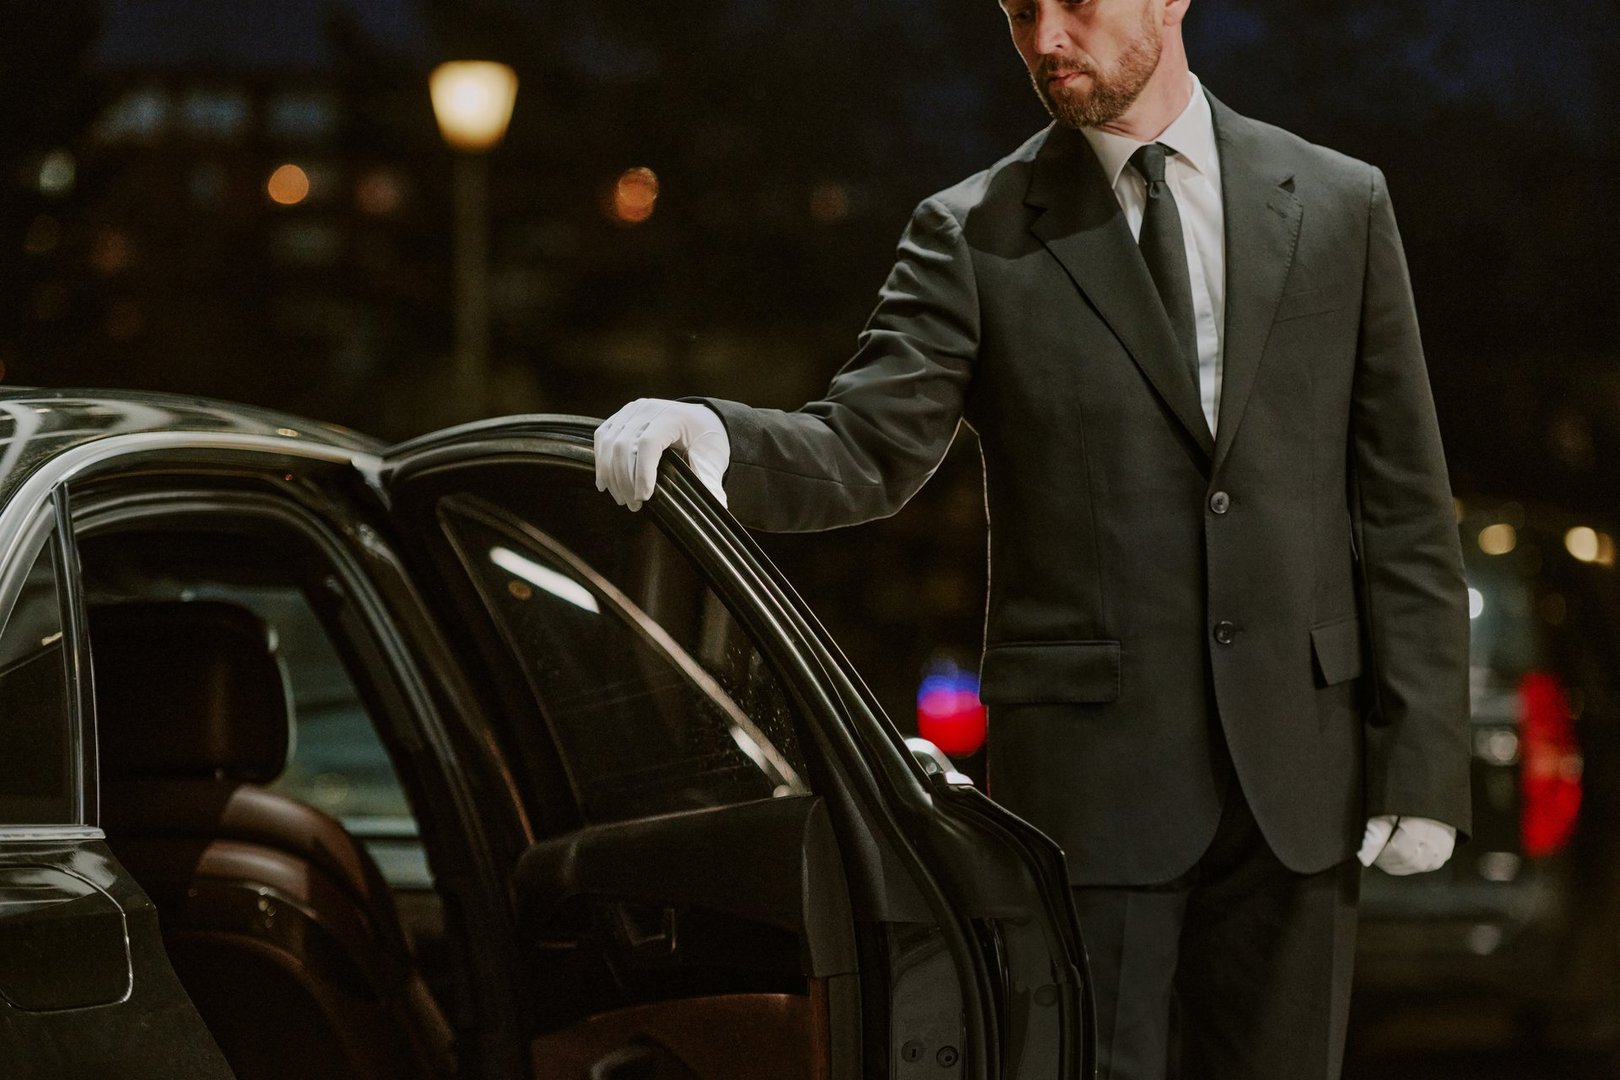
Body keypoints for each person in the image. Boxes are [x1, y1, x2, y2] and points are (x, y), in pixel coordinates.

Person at [594, 0, 1470, 1076]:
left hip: (1301, 769)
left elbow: (1404, 505)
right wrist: (717, 435)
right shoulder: (973, 230)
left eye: (1076, 5)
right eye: (1019, 13)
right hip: (1093, 783)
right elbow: (866, 448)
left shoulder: (1339, 203)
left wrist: (1421, 762)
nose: (1045, 40)